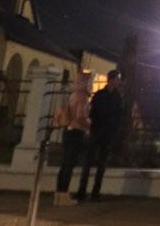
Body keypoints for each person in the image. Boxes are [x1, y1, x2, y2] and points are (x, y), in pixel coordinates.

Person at [76, 69, 124, 202]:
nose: (119, 81)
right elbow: (93, 112)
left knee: (101, 164)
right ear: (112, 80)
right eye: (118, 79)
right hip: (97, 131)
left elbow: (119, 116)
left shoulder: (115, 97)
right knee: (90, 163)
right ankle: (82, 191)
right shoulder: (103, 95)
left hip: (105, 133)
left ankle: (94, 192)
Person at [53, 71, 92, 205]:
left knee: (65, 164)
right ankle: (64, 196)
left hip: (68, 131)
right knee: (70, 164)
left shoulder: (73, 95)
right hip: (76, 132)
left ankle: (59, 194)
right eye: (89, 82)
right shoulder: (83, 97)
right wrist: (90, 125)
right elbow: (81, 116)